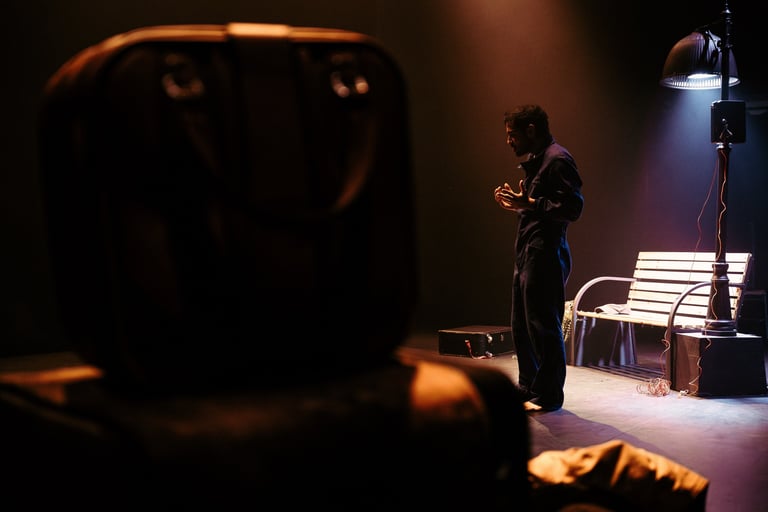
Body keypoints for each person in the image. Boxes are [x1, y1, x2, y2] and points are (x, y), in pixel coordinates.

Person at [494, 104, 583, 413]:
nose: (509, 141)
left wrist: (531, 203)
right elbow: (537, 206)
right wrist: (518, 204)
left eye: (512, 134)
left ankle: (549, 394)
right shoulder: (539, 160)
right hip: (528, 252)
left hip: (546, 253)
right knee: (522, 324)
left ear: (531, 130)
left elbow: (572, 208)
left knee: (543, 325)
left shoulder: (558, 159)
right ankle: (529, 385)